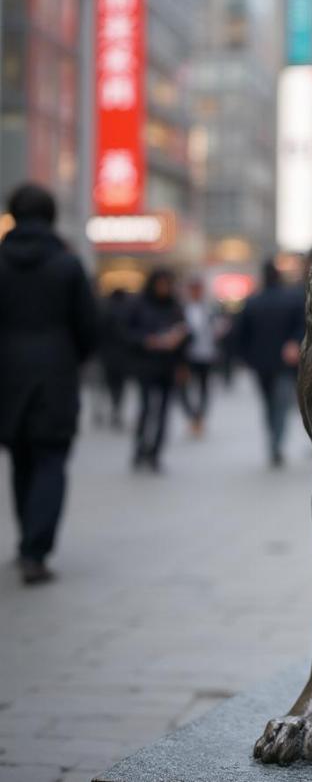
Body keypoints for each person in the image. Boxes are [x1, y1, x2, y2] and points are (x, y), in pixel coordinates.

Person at [0, 182, 98, 584]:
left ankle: (26, 537)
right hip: (55, 371)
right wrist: (71, 357)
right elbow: (88, 326)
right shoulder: (67, 265)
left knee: (21, 456)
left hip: (6, 373)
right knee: (50, 459)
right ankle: (35, 551)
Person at [236, 259, 305, 467]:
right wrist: (294, 343)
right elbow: (303, 326)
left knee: (269, 404)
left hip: (260, 363)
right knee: (281, 405)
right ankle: (276, 442)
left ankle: (273, 441)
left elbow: (240, 334)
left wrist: (246, 358)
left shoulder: (252, 301)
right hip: (284, 363)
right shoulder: (292, 299)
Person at [127, 269, 188, 472]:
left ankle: (155, 452)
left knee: (163, 412)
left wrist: (178, 340)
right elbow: (126, 332)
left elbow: (186, 333)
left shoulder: (175, 306)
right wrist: (147, 340)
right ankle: (139, 448)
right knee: (146, 409)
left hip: (168, 365)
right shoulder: (140, 305)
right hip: (146, 364)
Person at [179, 277, 220, 437]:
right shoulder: (183, 309)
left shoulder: (209, 309)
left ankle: (200, 417)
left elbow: (217, 329)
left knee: (204, 387)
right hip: (188, 355)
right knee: (185, 389)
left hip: (206, 354)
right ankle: (192, 416)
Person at [97, 288, 133, 429]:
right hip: (121, 355)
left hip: (107, 354)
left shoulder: (104, 311)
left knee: (109, 383)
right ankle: (116, 408)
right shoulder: (126, 312)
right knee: (119, 385)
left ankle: (110, 408)